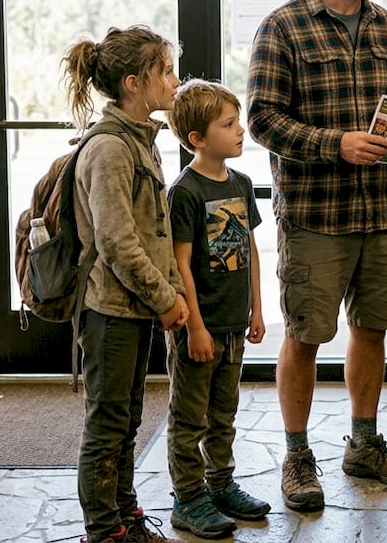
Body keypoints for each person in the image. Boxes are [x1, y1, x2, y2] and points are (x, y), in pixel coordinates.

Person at [246, 0, 387, 512]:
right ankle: (298, 455)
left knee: (373, 329)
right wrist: (336, 144)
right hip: (313, 217)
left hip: (379, 211)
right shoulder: (283, 27)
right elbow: (261, 120)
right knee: (304, 336)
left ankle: (362, 443)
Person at [63, 25, 190, 543]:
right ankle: (103, 530)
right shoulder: (111, 150)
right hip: (111, 310)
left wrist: (173, 294)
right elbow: (117, 242)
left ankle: (126, 515)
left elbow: (152, 233)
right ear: (136, 83)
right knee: (107, 423)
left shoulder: (141, 141)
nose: (176, 80)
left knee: (129, 417)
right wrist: (165, 298)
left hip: (135, 308)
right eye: (166, 70)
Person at [163, 79, 270, 538]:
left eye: (238, 120)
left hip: (233, 322)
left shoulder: (242, 183)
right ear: (198, 140)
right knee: (191, 417)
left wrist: (258, 311)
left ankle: (221, 484)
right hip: (199, 326)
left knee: (224, 411)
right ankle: (188, 498)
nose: (241, 130)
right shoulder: (185, 192)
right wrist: (196, 328)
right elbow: (180, 264)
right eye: (228, 125)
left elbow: (250, 248)